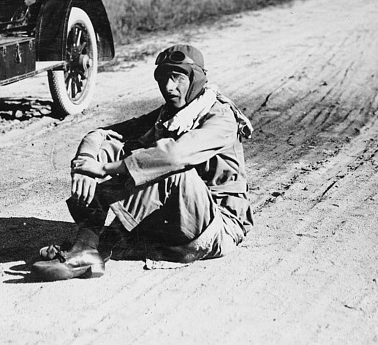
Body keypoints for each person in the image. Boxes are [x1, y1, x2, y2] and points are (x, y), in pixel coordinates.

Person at [31, 44, 254, 281]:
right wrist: (85, 165)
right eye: (162, 78)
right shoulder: (169, 115)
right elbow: (101, 135)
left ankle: (93, 246)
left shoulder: (220, 116)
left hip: (217, 227)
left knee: (168, 169)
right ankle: (87, 246)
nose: (168, 87)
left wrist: (105, 169)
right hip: (179, 219)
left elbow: (173, 158)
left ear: (196, 78)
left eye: (177, 78)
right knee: (114, 148)